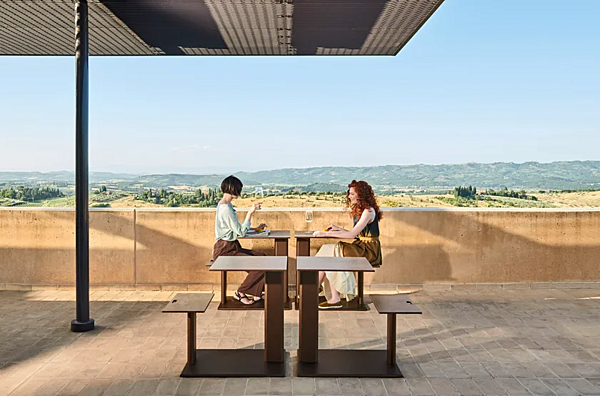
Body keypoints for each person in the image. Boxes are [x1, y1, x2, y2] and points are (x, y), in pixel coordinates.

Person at [312, 180, 382, 309]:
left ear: (360, 195)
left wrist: (325, 234)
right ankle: (327, 293)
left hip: (368, 250)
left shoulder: (368, 211)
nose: (349, 196)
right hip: (360, 245)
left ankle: (324, 292)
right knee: (328, 251)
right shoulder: (361, 210)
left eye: (351, 194)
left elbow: (351, 235)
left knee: (331, 252)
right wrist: (337, 228)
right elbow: (355, 234)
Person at [213, 176, 268, 305]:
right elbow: (241, 232)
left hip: (232, 246)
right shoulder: (226, 209)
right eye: (239, 189)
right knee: (261, 264)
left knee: (263, 258)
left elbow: (235, 229)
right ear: (233, 189)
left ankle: (256, 293)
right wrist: (250, 213)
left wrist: (254, 229)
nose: (240, 192)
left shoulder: (225, 205)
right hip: (225, 251)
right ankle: (240, 292)